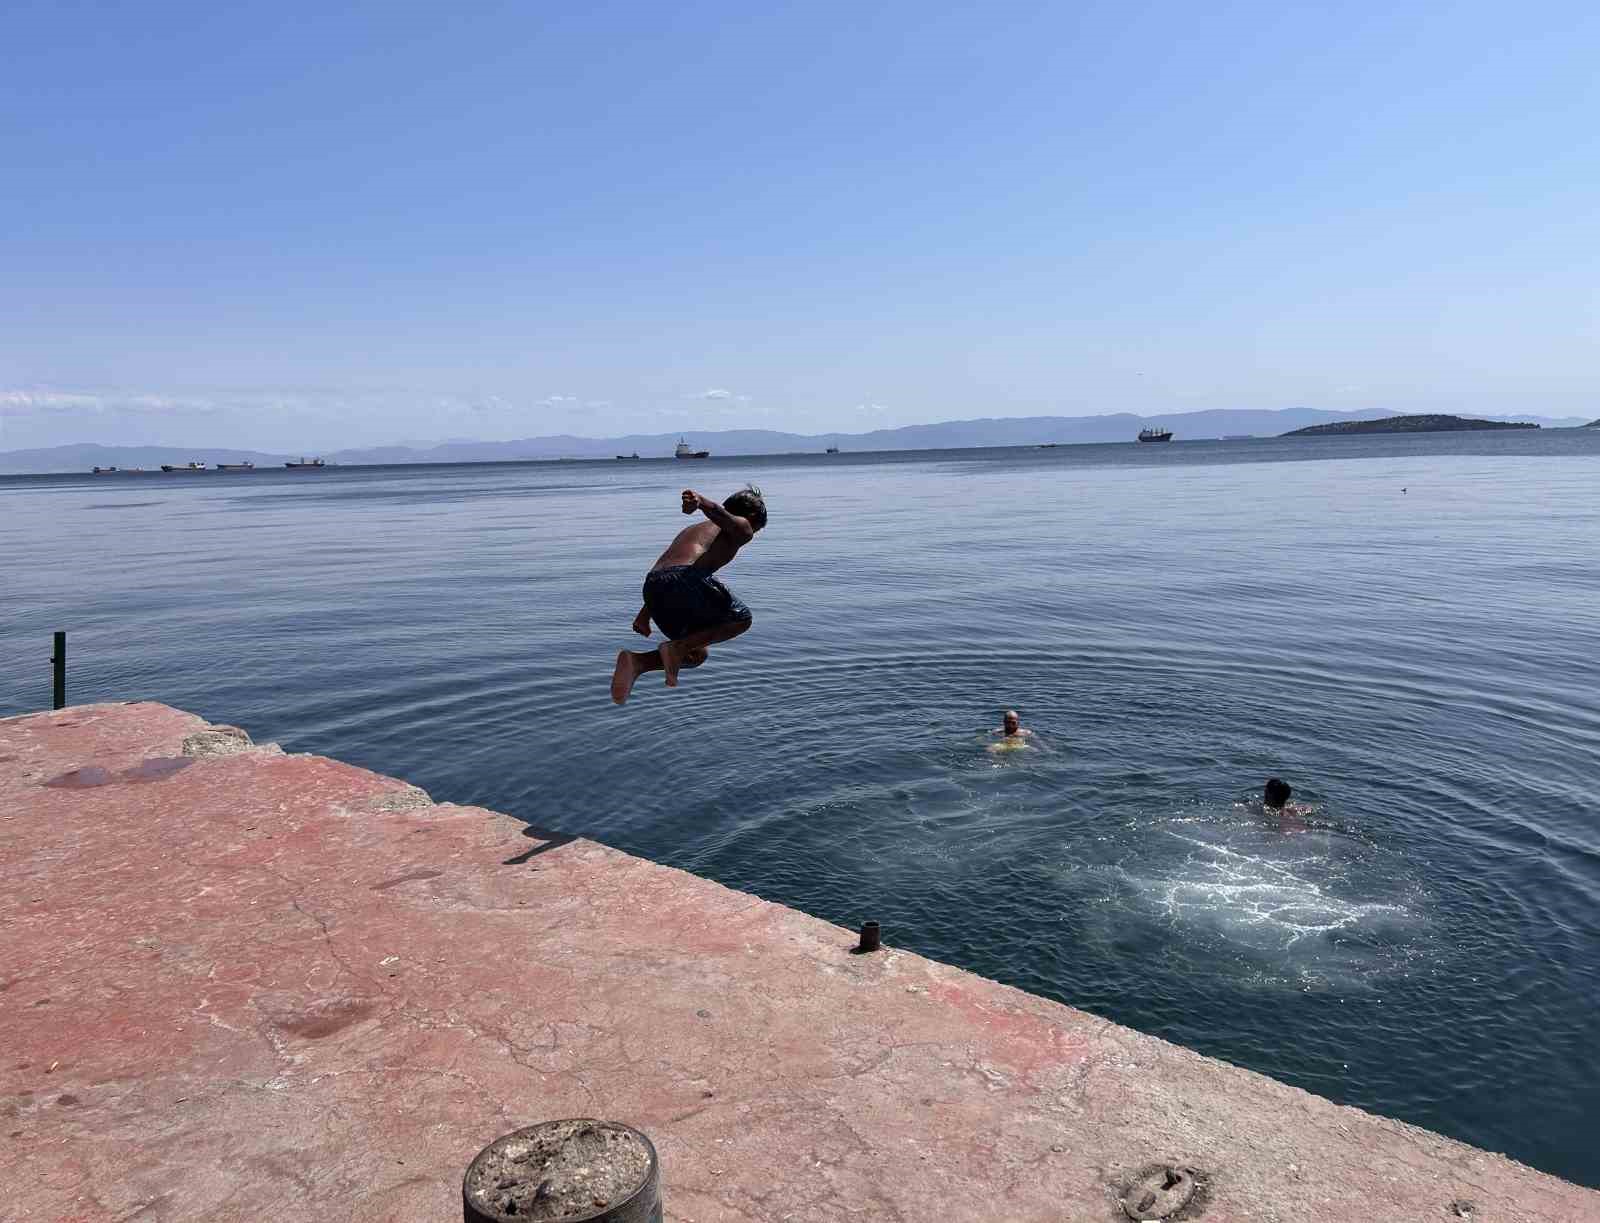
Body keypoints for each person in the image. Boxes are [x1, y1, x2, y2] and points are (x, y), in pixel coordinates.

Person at [610, 485, 767, 704]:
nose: (752, 536)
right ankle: (676, 648)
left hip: (654, 588)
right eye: (758, 529)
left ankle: (639, 663)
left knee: (697, 653)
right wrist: (701, 501)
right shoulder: (742, 527)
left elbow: (665, 574)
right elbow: (719, 514)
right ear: (751, 517)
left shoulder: (693, 531)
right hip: (681, 582)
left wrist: (645, 615)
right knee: (742, 618)